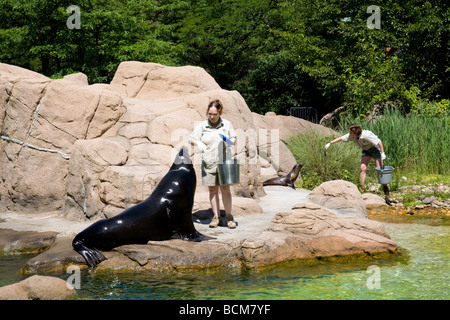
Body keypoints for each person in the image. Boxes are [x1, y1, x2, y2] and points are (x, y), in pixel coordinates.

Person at [189, 100, 237, 228]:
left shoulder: (226, 124)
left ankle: (229, 217)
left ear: (219, 113)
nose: (211, 116)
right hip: (209, 162)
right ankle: (216, 217)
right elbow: (191, 138)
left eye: (214, 114)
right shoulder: (203, 125)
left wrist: (229, 141)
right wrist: (198, 143)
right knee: (212, 190)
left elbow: (234, 137)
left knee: (225, 189)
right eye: (210, 113)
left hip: (224, 161)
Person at [324, 123, 388, 194]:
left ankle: (385, 186)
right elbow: (341, 138)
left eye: (350, 132)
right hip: (366, 150)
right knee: (362, 168)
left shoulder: (366, 135)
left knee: (379, 169)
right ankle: (362, 188)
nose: (349, 133)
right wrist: (330, 143)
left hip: (374, 149)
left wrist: (382, 153)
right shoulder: (352, 136)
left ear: (355, 132)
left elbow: (379, 141)